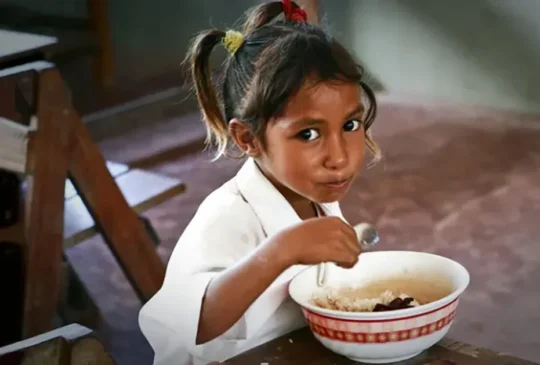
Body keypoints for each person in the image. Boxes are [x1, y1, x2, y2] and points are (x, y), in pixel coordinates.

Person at [138, 0, 381, 364]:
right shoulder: (226, 216)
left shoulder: (316, 195)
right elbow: (194, 323)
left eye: (349, 126)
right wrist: (281, 251)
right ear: (248, 139)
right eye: (308, 133)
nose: (339, 157)